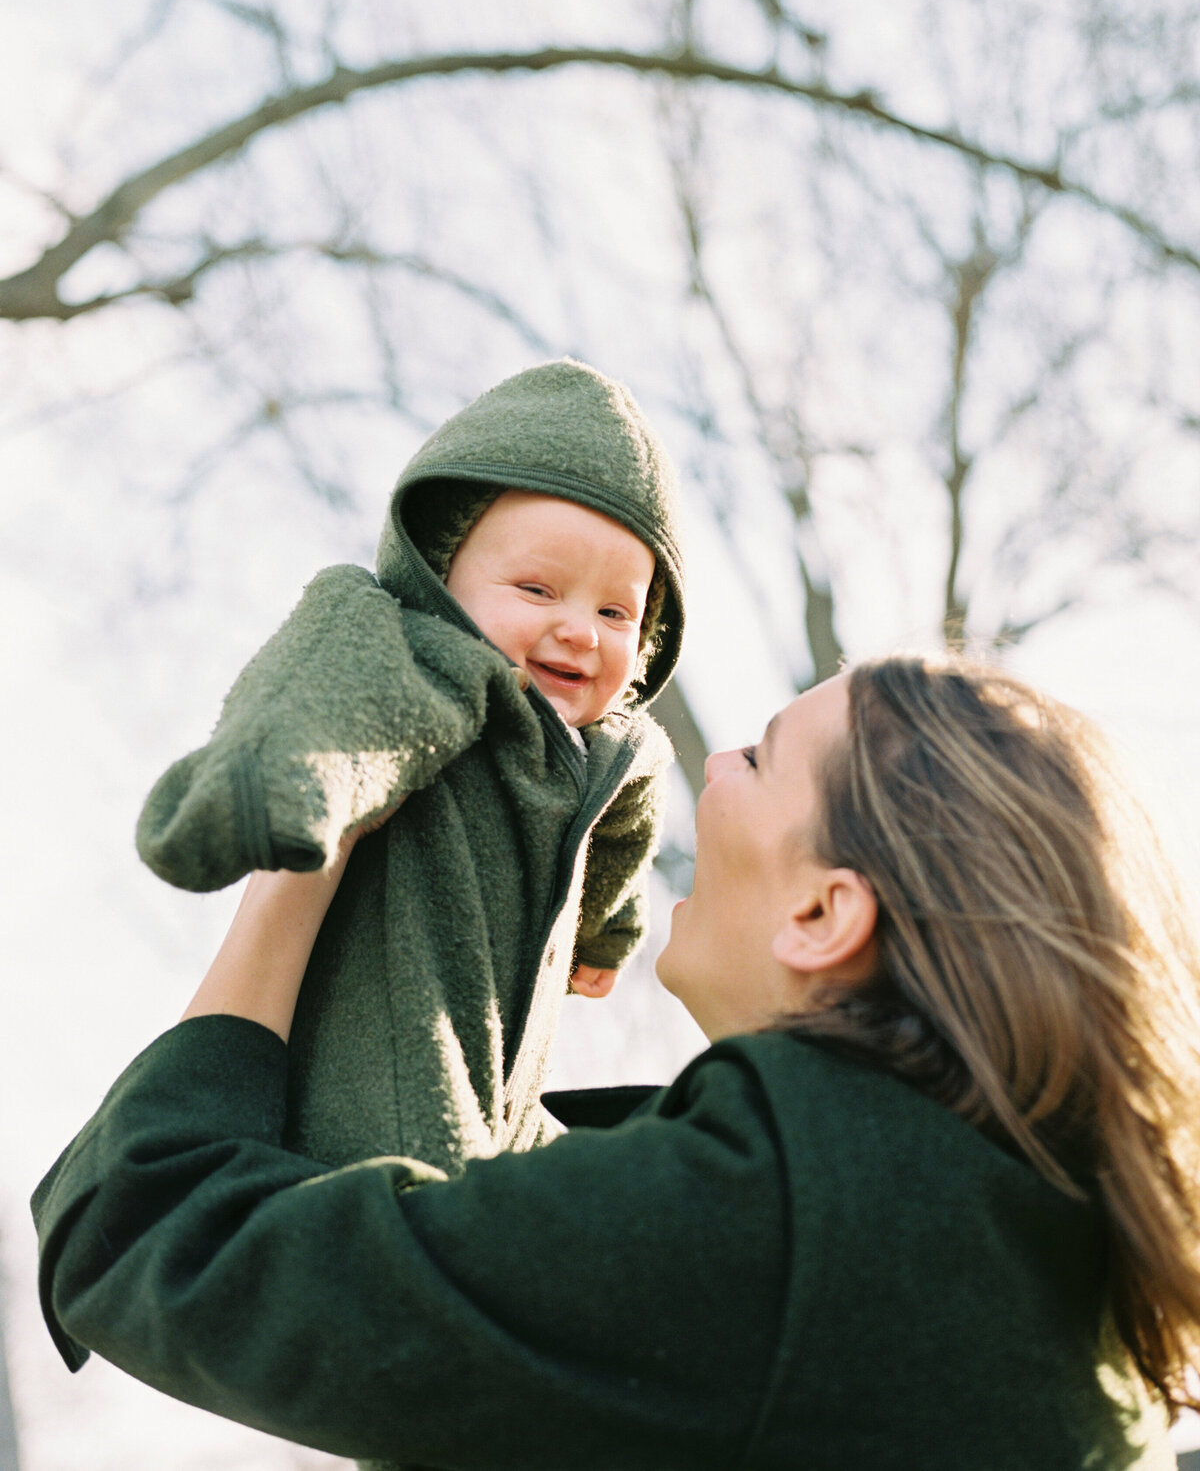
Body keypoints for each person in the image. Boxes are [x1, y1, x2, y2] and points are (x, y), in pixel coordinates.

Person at [33, 656, 1200, 1470]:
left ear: (824, 911)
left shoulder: (785, 1218)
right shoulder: (1029, 1225)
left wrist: (303, 860)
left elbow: (145, 1235)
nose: (712, 768)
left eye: (758, 754)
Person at [133, 356, 686, 1176]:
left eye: (615, 612)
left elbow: (626, 823)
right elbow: (321, 691)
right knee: (413, 1149)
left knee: (523, 1163)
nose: (581, 630)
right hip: (382, 1026)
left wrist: (605, 933)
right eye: (538, 590)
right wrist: (271, 791)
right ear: (440, 572)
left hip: (508, 1076)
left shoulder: (619, 749)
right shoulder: (417, 655)